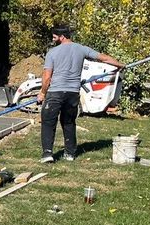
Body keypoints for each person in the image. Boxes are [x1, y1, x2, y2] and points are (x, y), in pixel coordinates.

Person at [36, 25, 123, 162]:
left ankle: (47, 154)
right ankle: (70, 154)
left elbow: (47, 77)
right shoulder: (82, 49)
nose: (53, 40)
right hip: (72, 93)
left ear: (62, 36)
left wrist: (42, 93)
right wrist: (120, 65)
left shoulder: (52, 53)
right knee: (69, 122)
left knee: (48, 122)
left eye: (54, 37)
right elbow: (104, 58)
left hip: (55, 93)